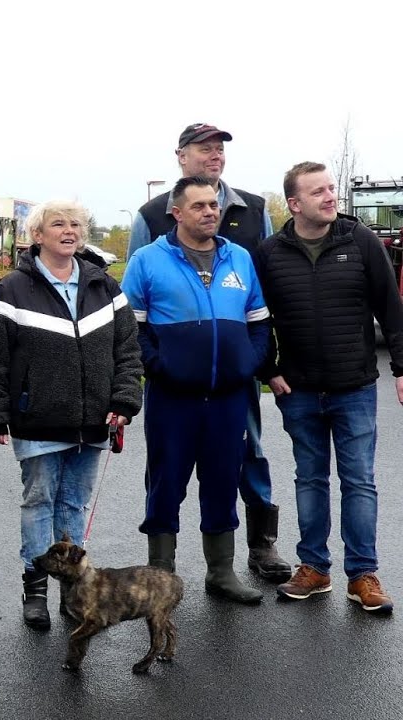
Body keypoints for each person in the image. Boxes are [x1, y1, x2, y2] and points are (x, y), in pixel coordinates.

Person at [126, 124, 290, 582]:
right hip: (172, 393)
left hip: (230, 392)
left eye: (213, 205)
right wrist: (158, 367)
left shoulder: (244, 242)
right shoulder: (148, 244)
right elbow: (132, 324)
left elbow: (261, 315)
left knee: (232, 472)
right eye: (198, 206)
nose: (209, 212)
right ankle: (162, 576)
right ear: (175, 211)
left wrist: (252, 365)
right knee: (166, 481)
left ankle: (233, 566)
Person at [0, 200, 143, 630]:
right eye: (58, 224)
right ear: (38, 236)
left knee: (74, 503)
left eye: (76, 224)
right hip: (38, 420)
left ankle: (75, 590)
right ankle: (35, 589)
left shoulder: (106, 286)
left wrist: (124, 401)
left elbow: (128, 351)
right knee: (39, 501)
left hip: (94, 421)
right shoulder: (9, 289)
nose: (69, 230)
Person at [254, 162, 403, 612]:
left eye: (331, 188)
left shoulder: (361, 242)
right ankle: (314, 568)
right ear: (294, 203)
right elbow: (256, 317)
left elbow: (390, 307)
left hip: (354, 386)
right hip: (297, 390)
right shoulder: (269, 253)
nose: (330, 196)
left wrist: (401, 366)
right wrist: (268, 369)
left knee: (359, 481)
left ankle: (363, 575)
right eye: (318, 191)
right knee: (310, 480)